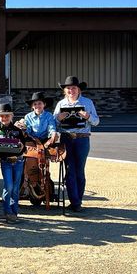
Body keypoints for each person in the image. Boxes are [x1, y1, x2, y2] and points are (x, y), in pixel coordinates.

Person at [54, 76, 99, 212]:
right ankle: (75, 201)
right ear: (65, 90)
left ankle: (77, 200)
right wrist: (58, 118)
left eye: (73, 88)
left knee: (79, 170)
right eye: (68, 88)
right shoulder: (61, 104)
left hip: (82, 139)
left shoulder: (87, 102)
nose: (71, 90)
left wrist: (88, 117)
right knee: (70, 170)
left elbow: (96, 121)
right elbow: (53, 124)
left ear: (79, 89)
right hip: (66, 139)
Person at [0, 103, 26, 224]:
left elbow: (24, 144)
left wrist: (22, 146)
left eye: (7, 116)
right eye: (2, 116)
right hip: (5, 161)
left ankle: (14, 211)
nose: (4, 118)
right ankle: (7, 211)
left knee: (16, 187)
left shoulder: (18, 130)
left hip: (18, 161)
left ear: (11, 116)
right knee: (9, 186)